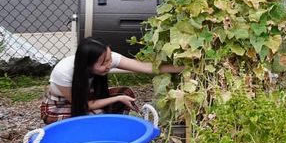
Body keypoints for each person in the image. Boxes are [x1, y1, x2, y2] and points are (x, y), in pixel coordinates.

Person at [40, 37, 183, 124]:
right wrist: (118, 98)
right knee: (98, 115)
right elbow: (85, 105)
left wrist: (183, 67)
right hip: (59, 106)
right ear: (87, 65)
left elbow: (145, 67)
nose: (109, 64)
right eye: (103, 63)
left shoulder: (105, 57)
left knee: (126, 93)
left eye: (109, 59)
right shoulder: (64, 72)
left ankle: (113, 126)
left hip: (86, 99)